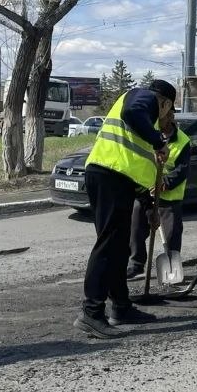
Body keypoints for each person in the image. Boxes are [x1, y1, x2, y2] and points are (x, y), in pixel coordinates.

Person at [76, 79, 176, 339]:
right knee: (109, 245)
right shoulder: (142, 97)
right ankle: (91, 312)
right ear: (165, 101)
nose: (166, 116)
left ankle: (121, 307)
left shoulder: (146, 117)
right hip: (108, 174)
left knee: (119, 247)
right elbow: (131, 113)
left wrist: (147, 205)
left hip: (117, 179)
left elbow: (135, 165)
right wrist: (157, 141)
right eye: (169, 110)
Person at [128, 115, 191, 280]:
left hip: (169, 196)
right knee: (136, 227)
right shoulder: (150, 134)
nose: (157, 121)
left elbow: (182, 170)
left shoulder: (183, 141)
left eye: (161, 118)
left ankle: (171, 268)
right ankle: (136, 264)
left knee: (171, 234)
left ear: (170, 117)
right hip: (146, 192)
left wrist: (165, 183)